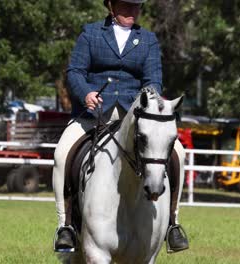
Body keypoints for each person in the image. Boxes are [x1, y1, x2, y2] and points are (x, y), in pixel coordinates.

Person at [52, 0, 189, 253]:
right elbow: (75, 72)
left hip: (134, 113)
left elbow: (153, 80)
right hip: (95, 111)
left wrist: (149, 100)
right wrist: (86, 93)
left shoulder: (147, 39)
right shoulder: (91, 33)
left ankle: (173, 222)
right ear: (111, 6)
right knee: (62, 153)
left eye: (136, 6)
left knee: (178, 152)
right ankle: (66, 225)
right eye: (126, 5)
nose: (132, 11)